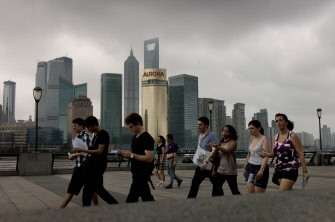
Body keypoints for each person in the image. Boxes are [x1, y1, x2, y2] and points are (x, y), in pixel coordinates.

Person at [259, 113, 310, 192]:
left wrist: (305, 171)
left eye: (280, 120)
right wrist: (265, 154)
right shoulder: (275, 137)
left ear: (286, 122)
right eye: (276, 121)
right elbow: (273, 154)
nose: (278, 122)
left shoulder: (292, 136)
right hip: (279, 170)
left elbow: (300, 154)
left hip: (290, 170)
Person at [75, 116, 118, 206]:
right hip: (94, 165)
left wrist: (84, 150)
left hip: (98, 166)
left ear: (94, 125)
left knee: (90, 190)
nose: (88, 129)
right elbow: (94, 148)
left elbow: (100, 151)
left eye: (88, 127)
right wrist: (83, 148)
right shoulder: (96, 135)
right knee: (96, 189)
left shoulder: (103, 134)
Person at [60, 118, 98, 208]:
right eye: (73, 126)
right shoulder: (78, 137)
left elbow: (88, 152)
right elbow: (82, 152)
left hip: (83, 168)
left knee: (71, 191)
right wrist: (74, 155)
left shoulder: (86, 136)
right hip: (82, 167)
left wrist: (74, 156)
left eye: (75, 125)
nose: (73, 128)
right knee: (92, 191)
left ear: (81, 126)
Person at [119, 113, 155, 202]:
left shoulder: (147, 138)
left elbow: (149, 158)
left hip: (142, 174)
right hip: (136, 173)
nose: (130, 129)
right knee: (146, 197)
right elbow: (135, 155)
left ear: (138, 124)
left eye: (131, 127)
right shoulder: (135, 137)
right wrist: (125, 155)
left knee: (131, 200)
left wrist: (131, 155)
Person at [187, 116, 218, 198]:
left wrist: (206, 162)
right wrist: (200, 162)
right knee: (195, 182)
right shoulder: (200, 136)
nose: (198, 126)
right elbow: (201, 151)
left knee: (216, 184)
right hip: (201, 162)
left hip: (209, 164)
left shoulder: (211, 135)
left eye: (200, 124)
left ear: (206, 125)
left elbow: (214, 150)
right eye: (197, 124)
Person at [208, 125, 241, 196]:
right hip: (220, 171)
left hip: (230, 171)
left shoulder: (233, 142)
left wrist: (216, 146)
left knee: (234, 191)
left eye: (227, 131)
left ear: (231, 133)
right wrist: (213, 168)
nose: (224, 133)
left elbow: (227, 151)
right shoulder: (221, 143)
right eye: (223, 131)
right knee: (216, 188)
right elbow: (214, 157)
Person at [244, 120, 270, 193]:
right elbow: (249, 153)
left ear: (258, 128)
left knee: (259, 193)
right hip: (250, 167)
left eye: (252, 128)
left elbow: (266, 156)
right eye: (249, 129)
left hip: (260, 168)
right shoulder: (251, 138)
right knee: (251, 192)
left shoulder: (264, 140)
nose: (250, 130)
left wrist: (261, 170)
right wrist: (245, 167)